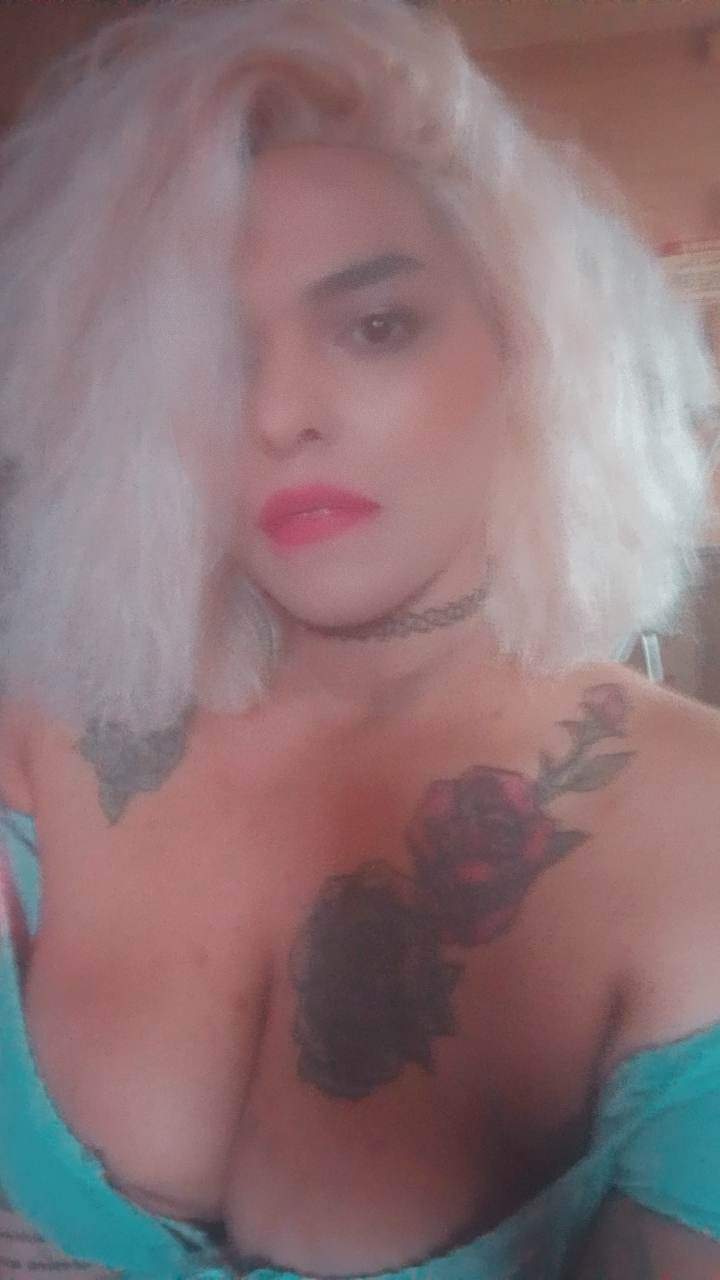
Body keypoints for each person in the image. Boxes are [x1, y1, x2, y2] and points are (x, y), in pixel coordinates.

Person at [1, 0, 719, 1276]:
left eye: (375, 324)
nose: (279, 411)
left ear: (531, 344)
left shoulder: (695, 827)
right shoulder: (51, 706)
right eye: (213, 355)